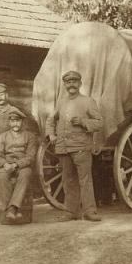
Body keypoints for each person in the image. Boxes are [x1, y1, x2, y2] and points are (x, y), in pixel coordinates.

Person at [45, 71, 104, 222]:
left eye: (74, 81)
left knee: (85, 180)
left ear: (80, 84)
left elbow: (99, 123)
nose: (71, 84)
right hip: (63, 148)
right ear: (65, 85)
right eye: (68, 82)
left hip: (81, 147)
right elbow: (50, 120)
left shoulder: (88, 101)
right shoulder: (61, 102)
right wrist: (51, 135)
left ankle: (90, 211)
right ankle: (71, 212)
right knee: (68, 180)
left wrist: (84, 122)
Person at [0, 109, 38, 222]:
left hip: (22, 166)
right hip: (7, 165)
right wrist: (5, 164)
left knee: (26, 174)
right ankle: (9, 210)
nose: (15, 124)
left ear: (22, 122)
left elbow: (30, 157)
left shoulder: (30, 136)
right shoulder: (2, 137)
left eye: (18, 121)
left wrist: (16, 165)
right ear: (9, 123)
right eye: (12, 121)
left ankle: (12, 208)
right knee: (1, 175)